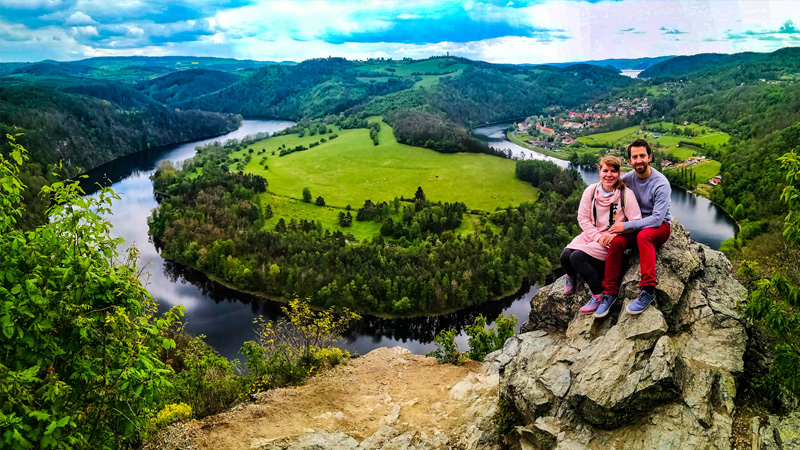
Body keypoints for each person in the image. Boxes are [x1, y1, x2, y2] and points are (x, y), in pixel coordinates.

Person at [594, 138, 672, 318]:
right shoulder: (628, 178)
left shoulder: (661, 183)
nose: (639, 160)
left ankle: (648, 290)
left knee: (643, 236)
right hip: (635, 227)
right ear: (630, 161)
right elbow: (606, 186)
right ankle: (609, 293)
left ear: (649, 157)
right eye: (634, 157)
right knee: (616, 242)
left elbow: (656, 219)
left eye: (642, 156)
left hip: (659, 227)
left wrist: (625, 226)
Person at [561, 156, 641, 314]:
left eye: (613, 171)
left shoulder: (625, 194)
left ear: (619, 173)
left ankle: (598, 294)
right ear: (599, 172)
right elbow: (582, 218)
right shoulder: (591, 191)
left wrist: (618, 231)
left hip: (611, 239)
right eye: (605, 170)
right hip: (593, 235)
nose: (609, 175)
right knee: (565, 256)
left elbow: (636, 221)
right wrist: (597, 236)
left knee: (577, 257)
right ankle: (570, 275)